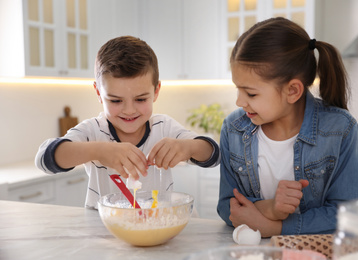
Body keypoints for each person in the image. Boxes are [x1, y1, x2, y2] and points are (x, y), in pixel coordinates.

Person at [35, 36, 220, 209]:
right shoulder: (93, 131)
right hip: (102, 234)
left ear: (156, 91)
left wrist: (188, 148)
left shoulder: (164, 127)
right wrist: (99, 151)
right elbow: (44, 159)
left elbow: (214, 155)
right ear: (99, 93)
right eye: (116, 101)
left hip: (157, 229)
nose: (129, 110)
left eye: (140, 99)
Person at [217, 17, 358, 237]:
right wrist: (270, 208)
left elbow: (345, 214)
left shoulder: (341, 129)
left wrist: (277, 228)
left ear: (292, 91)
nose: (239, 102)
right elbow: (227, 206)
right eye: (238, 89)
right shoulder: (233, 129)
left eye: (251, 93)